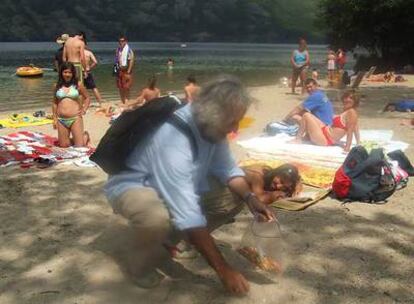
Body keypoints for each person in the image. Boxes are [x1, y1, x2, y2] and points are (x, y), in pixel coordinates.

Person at [104, 75, 275, 294]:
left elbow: (228, 170)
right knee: (154, 218)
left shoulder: (213, 126)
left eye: (237, 121)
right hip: (133, 185)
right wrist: (224, 270)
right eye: (232, 121)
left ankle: (172, 240)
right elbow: (190, 215)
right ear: (214, 114)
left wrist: (251, 199)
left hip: (178, 186)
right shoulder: (174, 139)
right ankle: (138, 264)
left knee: (236, 195)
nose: (234, 129)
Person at [294, 90, 361, 152]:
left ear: (355, 101)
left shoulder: (351, 112)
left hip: (325, 139)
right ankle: (306, 137)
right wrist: (358, 142)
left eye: (351, 98)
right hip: (325, 132)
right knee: (308, 116)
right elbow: (356, 127)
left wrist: (347, 148)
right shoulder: (349, 112)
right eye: (346, 97)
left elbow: (350, 131)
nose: (347, 99)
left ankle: (298, 139)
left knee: (306, 115)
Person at [52, 62, 90, 147]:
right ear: (61, 73)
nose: (67, 74)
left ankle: (85, 136)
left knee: (80, 146)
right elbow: (54, 103)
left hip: (75, 118)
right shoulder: (57, 86)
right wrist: (54, 118)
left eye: (70, 72)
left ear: (73, 73)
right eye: (65, 72)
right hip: (61, 119)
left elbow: (87, 98)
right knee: (64, 145)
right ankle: (75, 138)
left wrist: (84, 110)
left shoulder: (78, 84)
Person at [115, 35, 134, 104]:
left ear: (126, 41)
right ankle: (122, 101)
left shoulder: (129, 50)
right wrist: (115, 70)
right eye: (119, 41)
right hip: (119, 70)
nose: (121, 42)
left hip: (126, 70)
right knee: (120, 87)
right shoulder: (118, 50)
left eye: (122, 41)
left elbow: (131, 60)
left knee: (127, 87)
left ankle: (127, 100)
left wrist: (129, 71)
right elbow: (116, 60)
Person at [84, 42, 104, 107]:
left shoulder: (78, 53)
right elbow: (95, 62)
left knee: (80, 88)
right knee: (93, 87)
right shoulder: (89, 53)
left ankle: (81, 103)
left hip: (80, 71)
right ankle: (100, 102)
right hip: (87, 71)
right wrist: (89, 67)